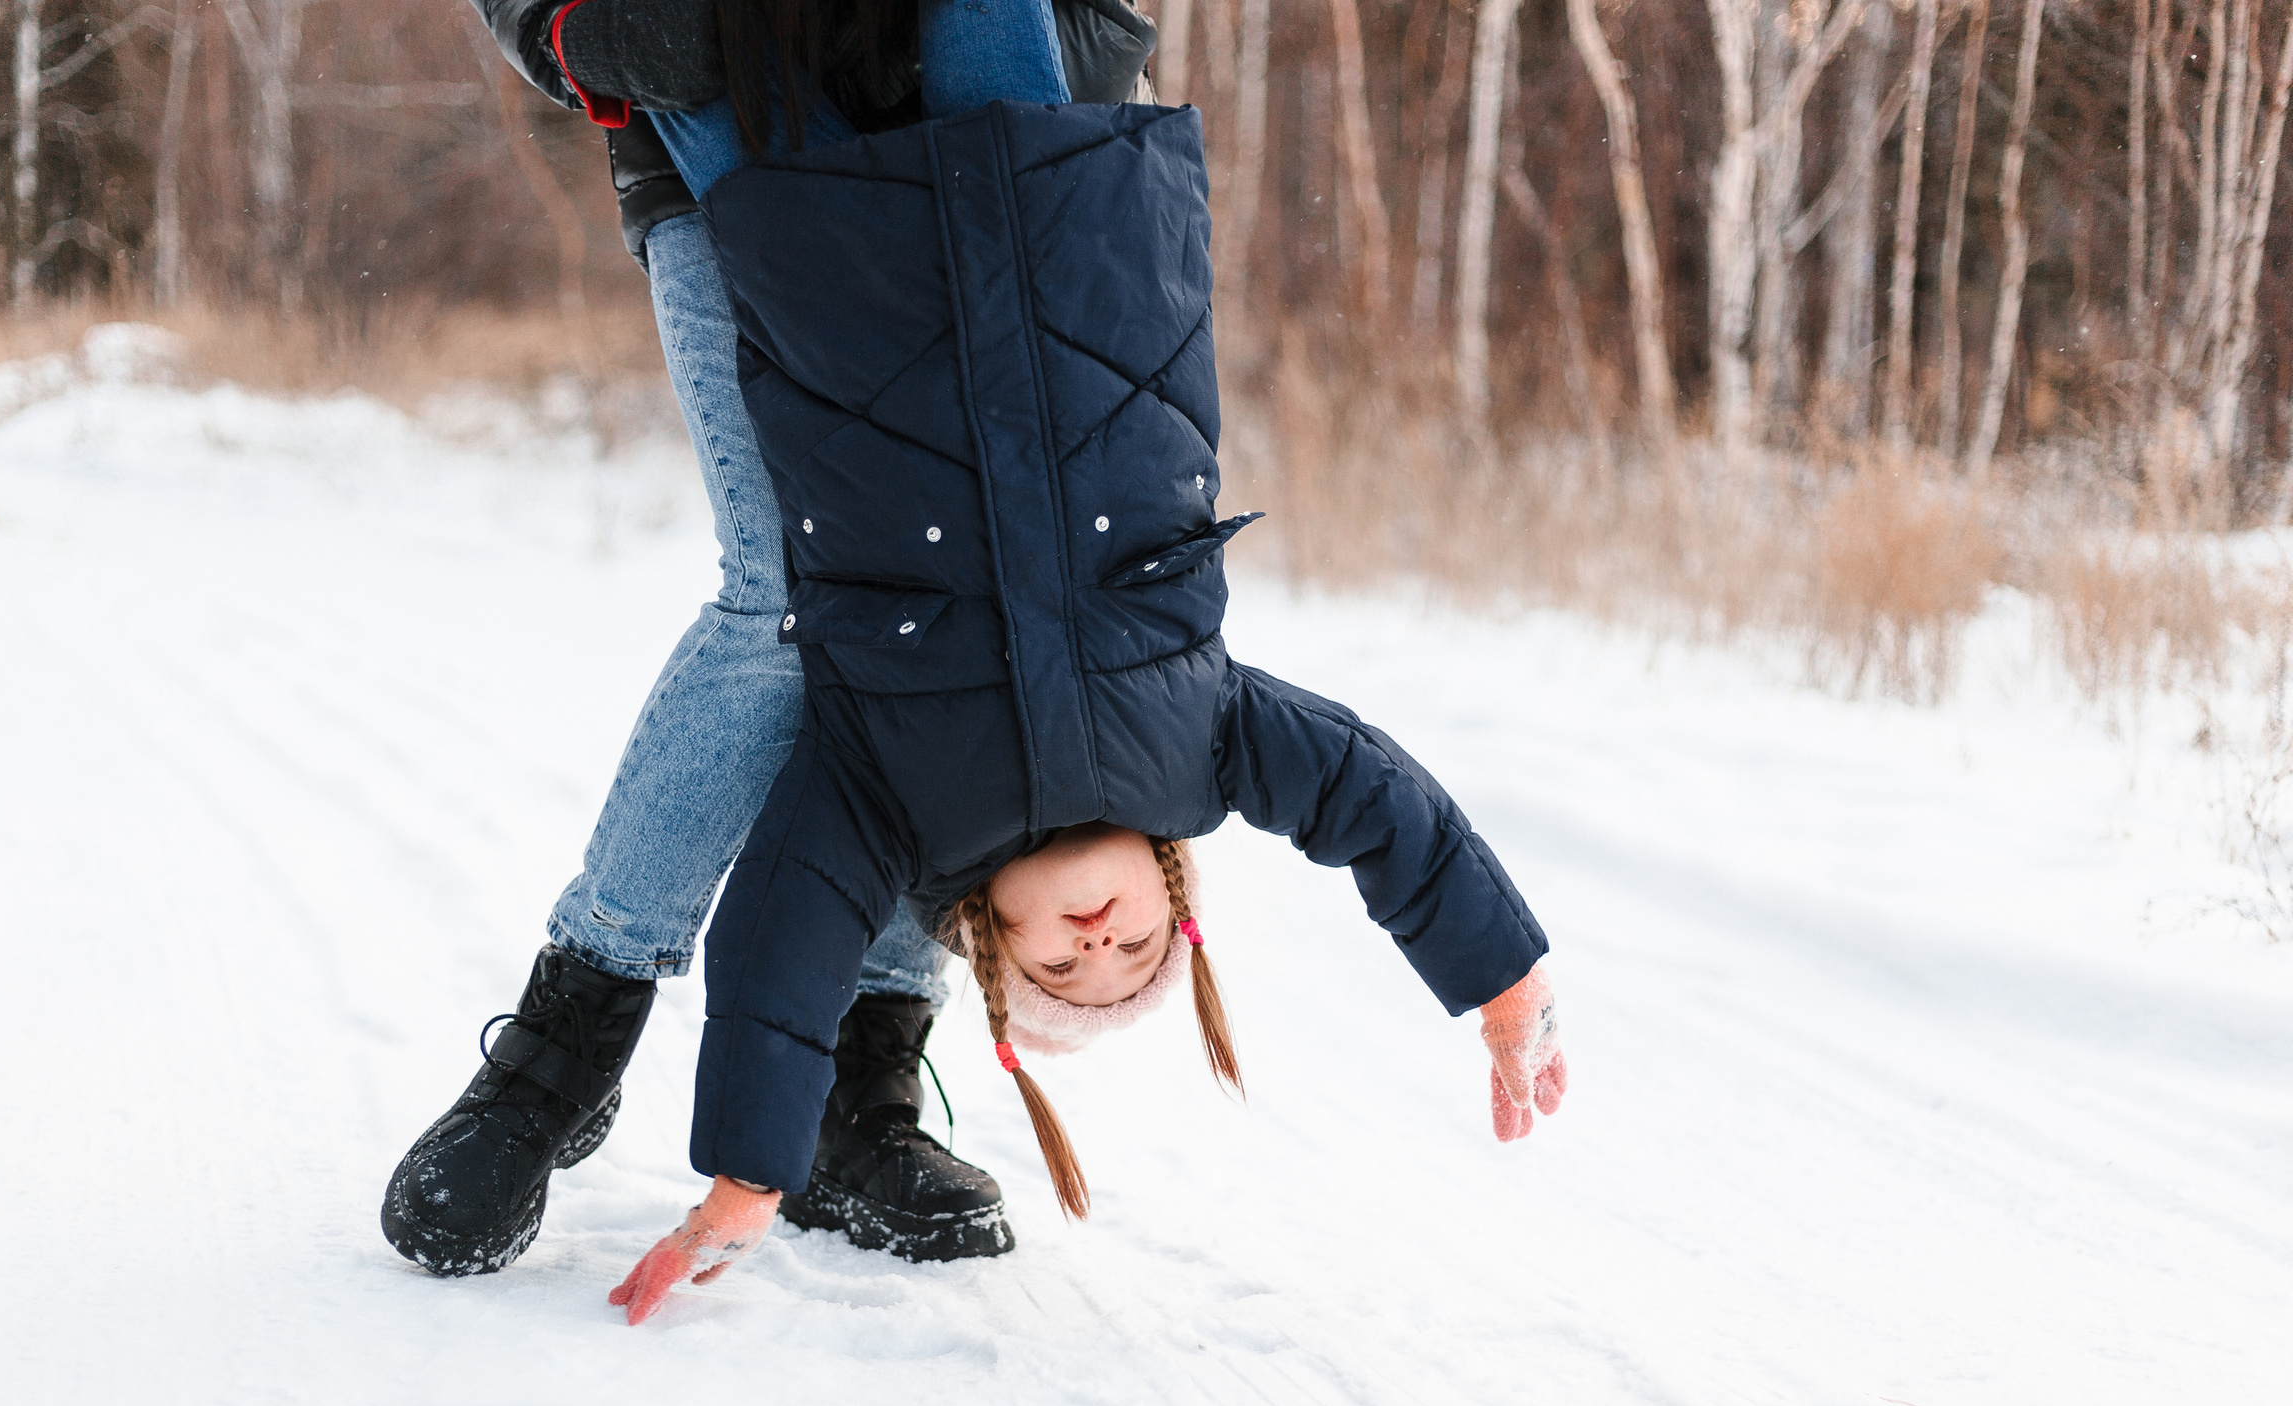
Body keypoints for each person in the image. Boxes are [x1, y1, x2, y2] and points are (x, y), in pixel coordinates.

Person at [589, 0, 1570, 1324]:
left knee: (695, 47)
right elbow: (1377, 805)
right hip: (1057, 231)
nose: (1099, 942)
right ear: (1170, 890)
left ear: (990, 937)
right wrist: (1501, 982)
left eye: (1061, 970)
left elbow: (784, 941)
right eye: (1137, 951)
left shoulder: (891, 805)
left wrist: (746, 1175)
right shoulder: (1201, 742)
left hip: (830, 276)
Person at [382, 0, 1167, 1278]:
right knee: (791, 598)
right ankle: (564, 1046)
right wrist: (571, 32)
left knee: (946, 610)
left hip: (985, 163)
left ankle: (859, 1085)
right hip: (732, 148)